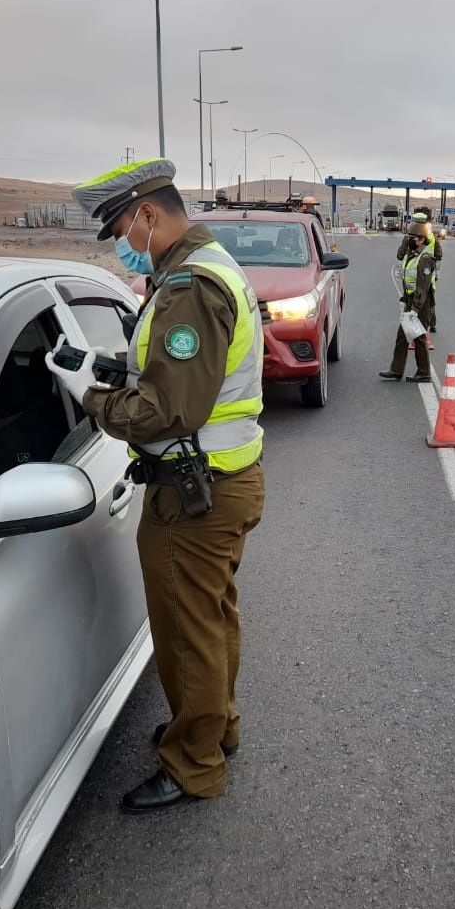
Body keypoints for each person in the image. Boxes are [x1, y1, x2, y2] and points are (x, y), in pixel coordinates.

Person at [48, 157, 266, 814]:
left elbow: (170, 411)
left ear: (148, 214)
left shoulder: (190, 288)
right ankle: (214, 727)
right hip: (222, 481)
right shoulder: (201, 268)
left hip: (195, 492)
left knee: (186, 632)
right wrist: (113, 367)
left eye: (120, 228)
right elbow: (178, 376)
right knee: (213, 617)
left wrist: (89, 398)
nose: (122, 244)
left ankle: (195, 764)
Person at [378, 221, 436, 384]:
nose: (410, 239)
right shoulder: (412, 255)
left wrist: (415, 310)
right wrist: (405, 300)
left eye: (413, 237)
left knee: (418, 336)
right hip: (411, 301)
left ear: (422, 239)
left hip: (421, 303)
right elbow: (406, 278)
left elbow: (422, 288)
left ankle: (424, 372)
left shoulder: (424, 259)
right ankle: (396, 370)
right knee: (402, 336)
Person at [397, 207, 443, 332]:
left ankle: (415, 324)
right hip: (429, 273)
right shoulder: (431, 236)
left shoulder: (410, 236)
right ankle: (431, 323)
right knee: (429, 299)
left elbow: (400, 255)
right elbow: (439, 254)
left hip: (414, 273)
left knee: (412, 298)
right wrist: (437, 271)